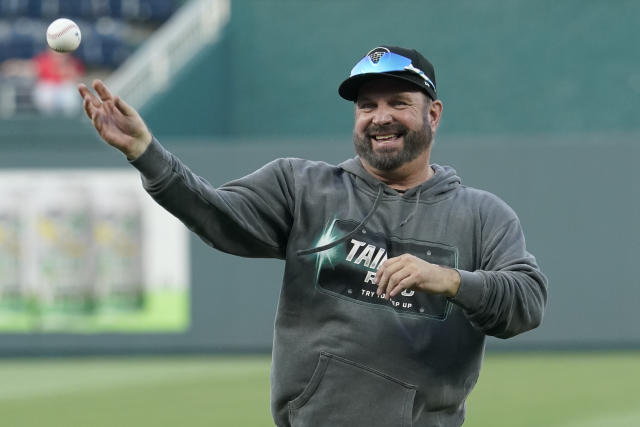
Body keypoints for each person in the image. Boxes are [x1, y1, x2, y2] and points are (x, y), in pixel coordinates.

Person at [78, 45, 548, 427]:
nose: (379, 117)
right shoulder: (302, 187)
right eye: (367, 105)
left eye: (398, 103)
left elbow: (526, 302)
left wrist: (450, 280)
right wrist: (145, 152)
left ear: (434, 114)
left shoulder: (482, 215)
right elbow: (216, 215)